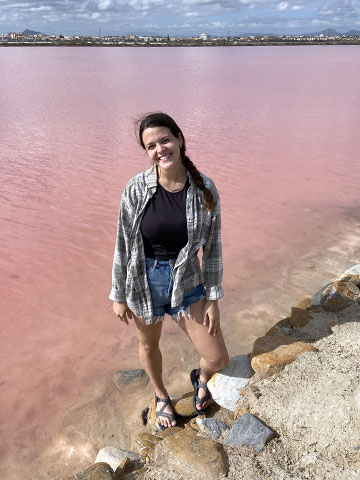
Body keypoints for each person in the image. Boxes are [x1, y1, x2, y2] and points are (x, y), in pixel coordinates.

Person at [110, 112, 229, 430]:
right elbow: (123, 244)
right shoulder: (136, 188)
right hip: (143, 282)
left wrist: (214, 298)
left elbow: (213, 249)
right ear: (146, 152)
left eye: (165, 140)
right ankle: (161, 395)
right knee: (148, 344)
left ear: (179, 139)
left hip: (188, 281)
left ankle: (200, 378)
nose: (160, 149)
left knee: (218, 358)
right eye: (151, 145)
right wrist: (118, 295)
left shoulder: (204, 189)